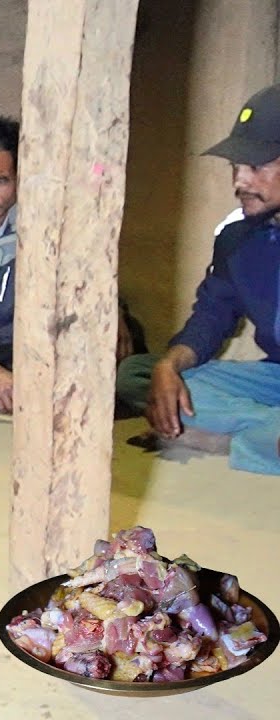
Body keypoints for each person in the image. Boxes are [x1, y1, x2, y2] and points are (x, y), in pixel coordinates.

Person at [0, 116, 155, 415]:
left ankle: (32, 396)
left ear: (19, 176)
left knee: (113, 351)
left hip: (30, 349)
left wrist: (116, 312)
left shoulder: (43, 223)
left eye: (0, 181)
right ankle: (29, 397)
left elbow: (83, 282)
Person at [144, 83, 280, 475]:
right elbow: (211, 316)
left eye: (255, 166)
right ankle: (262, 436)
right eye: (234, 166)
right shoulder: (237, 237)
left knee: (175, 409)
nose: (240, 181)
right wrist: (169, 366)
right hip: (274, 379)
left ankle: (243, 437)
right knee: (157, 381)